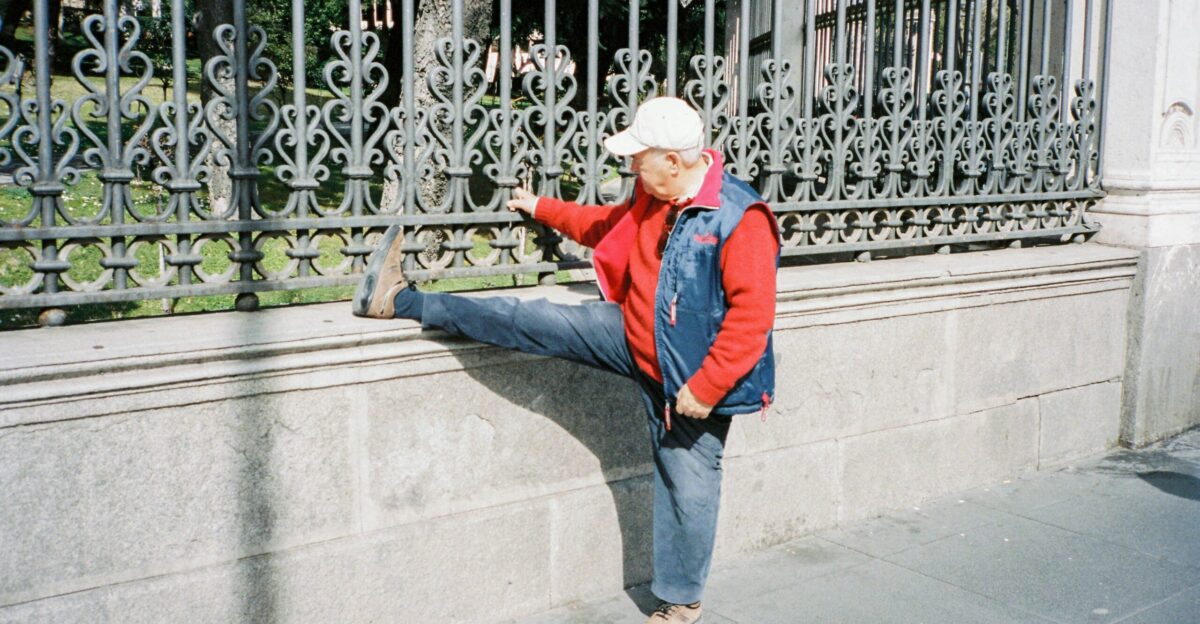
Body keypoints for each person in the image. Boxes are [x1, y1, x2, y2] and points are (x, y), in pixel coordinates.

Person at [352, 96, 779, 624]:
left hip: (692, 381)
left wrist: (707, 387)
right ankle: (400, 300)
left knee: (687, 489)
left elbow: (752, 317)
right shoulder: (652, 196)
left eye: (638, 156)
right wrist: (541, 208)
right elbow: (605, 227)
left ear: (672, 159)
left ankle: (681, 602)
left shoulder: (741, 217)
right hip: (631, 336)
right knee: (528, 319)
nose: (630, 166)